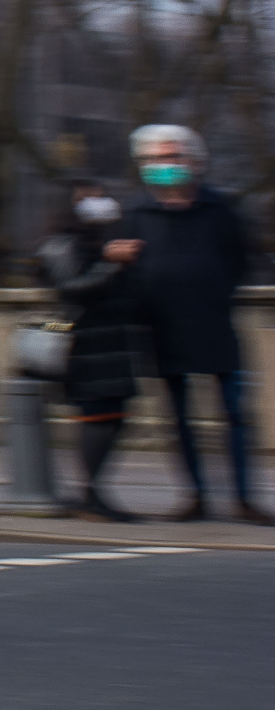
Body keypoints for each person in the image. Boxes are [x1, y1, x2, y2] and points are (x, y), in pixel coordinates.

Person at [123, 126, 267, 525]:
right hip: (164, 327)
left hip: (215, 322)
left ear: (195, 163)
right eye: (154, 160)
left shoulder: (221, 209)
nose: (163, 166)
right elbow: (125, 267)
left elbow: (240, 259)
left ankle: (243, 498)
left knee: (235, 414)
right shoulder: (137, 213)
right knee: (178, 418)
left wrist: (217, 292)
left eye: (172, 157)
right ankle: (195, 496)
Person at [37, 181, 146, 522]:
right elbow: (72, 288)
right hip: (86, 344)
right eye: (86, 197)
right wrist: (112, 262)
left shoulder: (99, 240)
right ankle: (89, 496)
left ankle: (92, 493)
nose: (96, 203)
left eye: (100, 196)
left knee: (114, 420)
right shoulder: (60, 245)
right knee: (97, 420)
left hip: (111, 344)